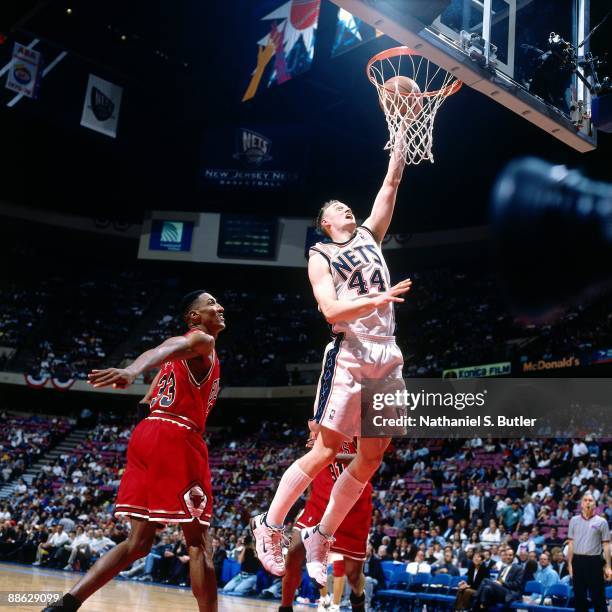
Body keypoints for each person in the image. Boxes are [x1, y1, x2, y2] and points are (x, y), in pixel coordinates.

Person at [252, 135, 411, 586]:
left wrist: (400, 141)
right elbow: (330, 311)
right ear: (324, 222)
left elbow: (391, 184)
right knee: (325, 450)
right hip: (351, 355)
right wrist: (380, 296)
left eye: (347, 205)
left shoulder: (369, 236)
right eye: (338, 207)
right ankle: (270, 523)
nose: (347, 208)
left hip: (386, 356)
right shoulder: (320, 255)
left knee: (372, 456)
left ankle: (321, 533)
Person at [42, 290, 225, 612]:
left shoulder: (175, 365)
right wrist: (131, 371)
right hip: (177, 434)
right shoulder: (201, 340)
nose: (219, 307)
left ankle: (64, 605)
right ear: (194, 317)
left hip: (147, 433)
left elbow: (145, 403)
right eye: (210, 304)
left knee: (138, 542)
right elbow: (163, 347)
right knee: (198, 544)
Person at [279, 437, 373, 612]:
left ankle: (358, 599)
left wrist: (330, 454)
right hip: (320, 500)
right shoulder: (321, 414)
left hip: (354, 503)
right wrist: (308, 495)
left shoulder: (365, 420)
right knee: (293, 552)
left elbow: (367, 457)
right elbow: (313, 455)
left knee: (353, 576)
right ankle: (285, 607)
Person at [567, 491, 611, 612]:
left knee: (598, 597)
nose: (588, 502)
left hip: (594, 561)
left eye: (590, 500)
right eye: (585, 500)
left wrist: (608, 566)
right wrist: (569, 564)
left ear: (595, 505)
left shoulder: (602, 522)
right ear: (581, 504)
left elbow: (606, 545)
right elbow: (571, 543)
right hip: (578, 561)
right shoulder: (573, 520)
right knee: (579, 598)